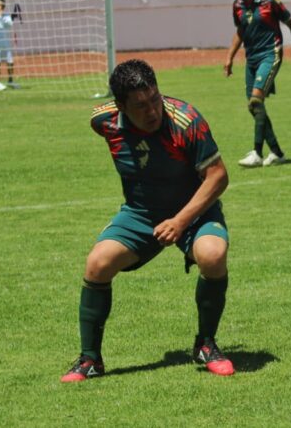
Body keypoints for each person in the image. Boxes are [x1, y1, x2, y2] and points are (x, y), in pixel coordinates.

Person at [62, 60, 234, 382]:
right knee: (97, 264)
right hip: (141, 213)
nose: (152, 111)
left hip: (193, 212)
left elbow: (218, 176)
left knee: (213, 255)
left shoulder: (186, 121)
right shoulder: (104, 121)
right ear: (121, 106)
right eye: (140, 106)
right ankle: (90, 359)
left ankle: (206, 344)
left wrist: (180, 222)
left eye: (155, 99)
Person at [224, 0, 291, 168]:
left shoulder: (270, 1)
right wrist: (229, 57)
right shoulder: (237, 5)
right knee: (254, 107)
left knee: (256, 101)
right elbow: (240, 31)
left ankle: (257, 153)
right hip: (251, 59)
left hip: (270, 54)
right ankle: (277, 152)